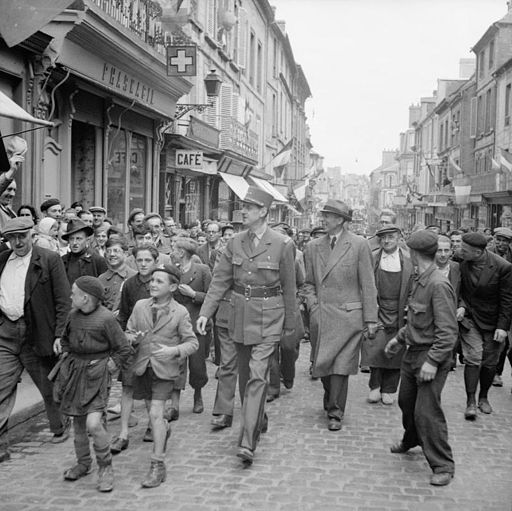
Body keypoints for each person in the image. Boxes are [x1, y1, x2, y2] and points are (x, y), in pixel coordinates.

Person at [197, 186, 296, 465]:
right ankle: (258, 415)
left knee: (257, 375)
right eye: (243, 206)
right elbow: (220, 281)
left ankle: (248, 440)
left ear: (263, 212)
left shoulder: (283, 244)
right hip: (239, 315)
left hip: (269, 317)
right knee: (244, 376)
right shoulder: (234, 242)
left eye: (250, 207)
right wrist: (207, 311)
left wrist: (291, 326)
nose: (244, 211)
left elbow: (289, 289)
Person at [385, 229, 457, 487]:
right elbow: (417, 319)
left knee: (427, 412)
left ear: (415, 253)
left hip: (430, 356)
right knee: (406, 402)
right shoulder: (420, 279)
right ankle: (412, 439)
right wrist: (399, 338)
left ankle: (443, 464)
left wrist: (433, 361)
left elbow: (448, 332)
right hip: (412, 353)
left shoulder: (438, 284)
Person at [302, 199, 378, 431]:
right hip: (322, 317)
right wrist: (314, 306)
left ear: (341, 221)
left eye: (328, 216)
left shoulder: (359, 245)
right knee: (323, 366)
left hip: (349, 317)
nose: (323, 219)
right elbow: (308, 284)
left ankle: (336, 411)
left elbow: (368, 283)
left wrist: (371, 319)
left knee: (341, 367)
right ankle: (330, 396)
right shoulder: (313, 247)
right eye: (323, 215)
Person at [0, 217, 71, 463]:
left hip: (37, 332)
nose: (17, 242)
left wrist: (60, 334)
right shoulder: (2, 261)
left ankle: (60, 425)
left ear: (32, 234)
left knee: (48, 387)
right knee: (1, 387)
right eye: (12, 238)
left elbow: (63, 300)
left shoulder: (48, 259)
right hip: (6, 333)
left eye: (22, 236)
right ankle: (1, 446)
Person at [52, 276, 130, 492]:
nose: (70, 296)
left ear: (85, 297)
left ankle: (105, 467)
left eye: (73, 292)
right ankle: (84, 463)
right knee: (78, 425)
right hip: (75, 374)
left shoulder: (106, 319)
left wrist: (110, 365)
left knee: (94, 424)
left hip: (97, 375)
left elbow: (123, 348)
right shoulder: (72, 316)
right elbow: (66, 339)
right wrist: (65, 350)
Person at [127, 263, 198, 488]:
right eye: (152, 280)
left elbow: (192, 343)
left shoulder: (180, 312)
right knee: (152, 413)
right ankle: (163, 430)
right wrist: (132, 338)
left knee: (156, 413)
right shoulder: (139, 306)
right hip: (143, 368)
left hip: (165, 370)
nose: (153, 284)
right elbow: (128, 331)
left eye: (159, 281)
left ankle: (157, 464)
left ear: (173, 286)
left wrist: (173, 351)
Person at [457, 232, 512, 420]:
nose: (460, 251)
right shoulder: (461, 261)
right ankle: (470, 401)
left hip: (493, 321)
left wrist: (503, 327)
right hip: (470, 319)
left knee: (490, 362)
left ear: (478, 252)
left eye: (464, 250)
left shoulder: (502, 267)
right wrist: (462, 306)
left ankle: (483, 397)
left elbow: (507, 300)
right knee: (473, 357)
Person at [363, 224, 413, 405]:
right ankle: (375, 386)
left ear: (399, 237)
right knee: (375, 347)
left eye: (391, 237)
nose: (387, 241)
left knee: (396, 349)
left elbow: (413, 287)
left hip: (400, 310)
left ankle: (390, 388)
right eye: (383, 238)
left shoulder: (408, 260)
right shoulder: (373, 258)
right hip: (378, 308)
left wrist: (409, 305)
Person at [170, 238, 212, 417]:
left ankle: (198, 395)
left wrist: (193, 294)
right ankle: (174, 404)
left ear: (181, 252)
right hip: (176, 324)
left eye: (174, 248)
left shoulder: (202, 270)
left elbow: (212, 297)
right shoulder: (173, 271)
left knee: (197, 365)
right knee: (176, 364)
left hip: (197, 325)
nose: (172, 251)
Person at [61, 219, 108, 285]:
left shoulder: (98, 261)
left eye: (78, 239)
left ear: (87, 240)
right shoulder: (63, 261)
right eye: (71, 239)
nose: (74, 243)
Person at [98, 236, 136, 314]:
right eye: (108, 251)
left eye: (116, 251)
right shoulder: (101, 279)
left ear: (125, 253)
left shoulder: (134, 277)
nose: (112, 254)